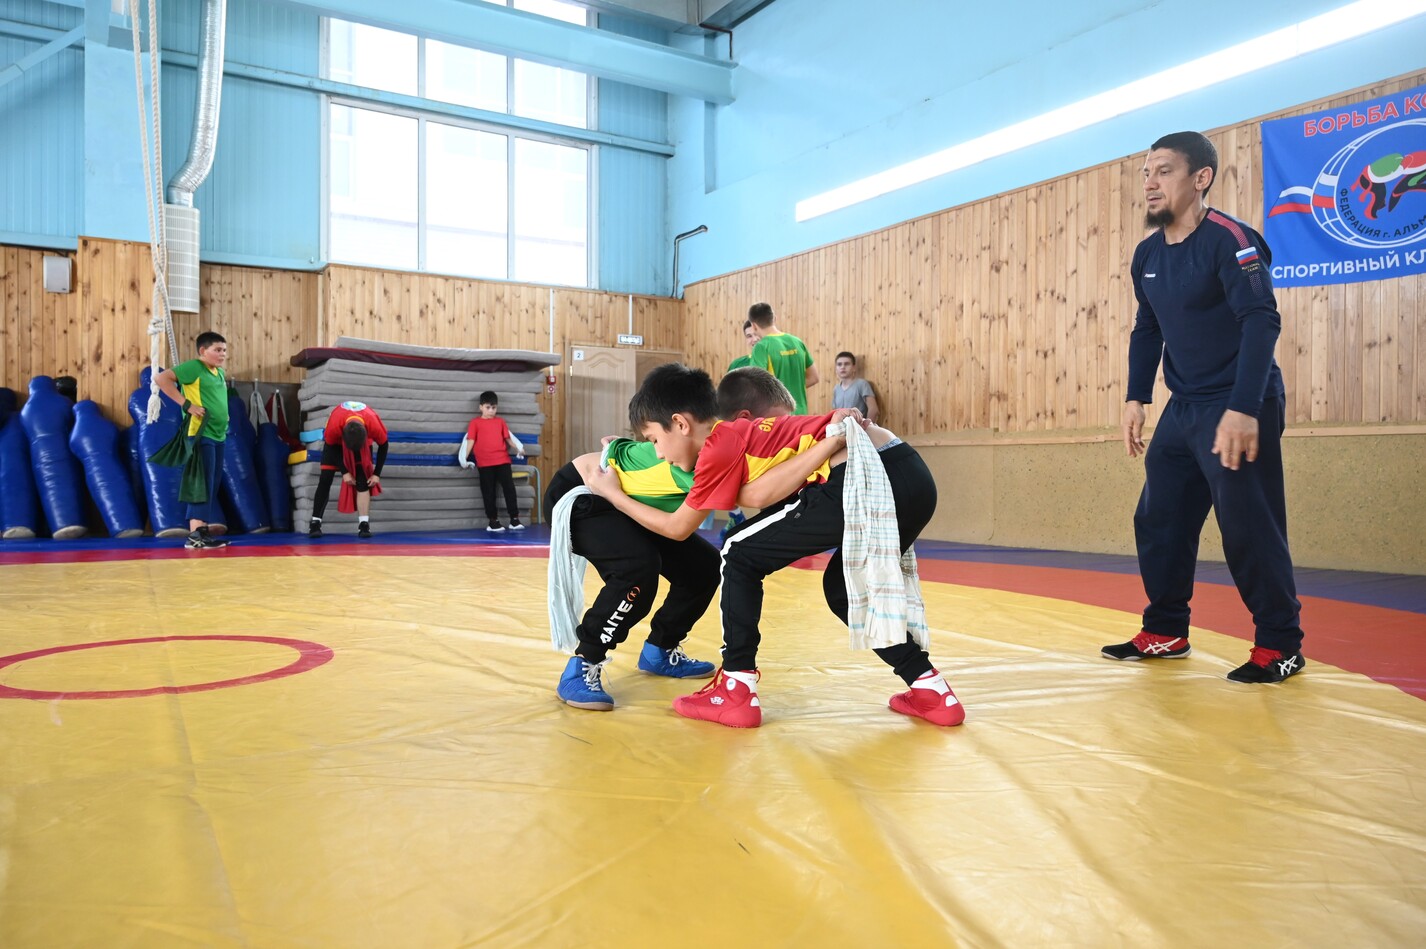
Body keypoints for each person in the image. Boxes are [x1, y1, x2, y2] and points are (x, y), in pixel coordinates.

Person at [586, 363, 963, 729]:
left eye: (654, 440)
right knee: (843, 591)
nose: (657, 453)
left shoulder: (718, 444)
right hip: (910, 473)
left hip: (860, 472)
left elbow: (678, 527)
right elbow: (757, 495)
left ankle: (736, 687)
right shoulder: (740, 440)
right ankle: (930, 689)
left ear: (681, 424)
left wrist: (611, 493)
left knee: (737, 552)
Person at [1103, 130, 1306, 684]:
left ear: (1201, 178)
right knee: (1160, 517)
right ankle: (1166, 628)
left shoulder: (1231, 240)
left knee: (1248, 525)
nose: (1150, 183)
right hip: (1185, 405)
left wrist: (1244, 407)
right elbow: (1148, 327)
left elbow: (1261, 319)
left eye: (1163, 171)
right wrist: (1136, 398)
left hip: (1240, 401)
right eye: (1146, 172)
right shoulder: (1147, 254)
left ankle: (1281, 644)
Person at [545, 367, 801, 712]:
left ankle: (659, 649)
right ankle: (582, 665)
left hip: (623, 498)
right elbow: (685, 524)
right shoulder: (706, 455)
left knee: (704, 567)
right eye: (776, 426)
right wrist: (615, 490)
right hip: (587, 491)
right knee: (637, 569)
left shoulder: (716, 445)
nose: (781, 435)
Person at [154, 331, 231, 549]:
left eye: (224, 350)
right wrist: (187, 405)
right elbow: (161, 379)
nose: (222, 354)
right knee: (201, 483)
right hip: (200, 433)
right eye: (217, 350)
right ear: (203, 351)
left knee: (211, 484)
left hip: (218, 434)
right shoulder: (194, 367)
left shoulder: (218, 372)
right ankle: (195, 535)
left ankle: (202, 533)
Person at [309, 400, 388, 539]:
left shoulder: (372, 422)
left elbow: (384, 445)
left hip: (361, 441)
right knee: (325, 478)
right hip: (335, 444)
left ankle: (364, 524)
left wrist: (377, 474)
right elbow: (331, 446)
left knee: (363, 480)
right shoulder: (334, 425)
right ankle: (315, 523)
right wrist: (345, 471)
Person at [460, 390, 526, 533]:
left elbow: (508, 439)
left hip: (503, 460)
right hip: (485, 464)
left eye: (494, 407)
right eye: (488, 407)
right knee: (488, 492)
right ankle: (493, 521)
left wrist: (518, 449)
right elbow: (470, 441)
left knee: (509, 489)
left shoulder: (500, 422)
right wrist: (464, 458)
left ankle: (514, 518)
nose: (491, 410)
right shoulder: (475, 423)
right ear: (481, 407)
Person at [747, 303, 818, 413]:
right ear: (774, 319)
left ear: (754, 326)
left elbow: (756, 387)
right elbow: (813, 377)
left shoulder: (761, 347)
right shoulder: (797, 342)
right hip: (802, 416)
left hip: (780, 418)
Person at [831, 352, 879, 423]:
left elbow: (874, 410)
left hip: (859, 427)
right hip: (840, 428)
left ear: (854, 367)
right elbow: (835, 412)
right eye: (839, 364)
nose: (842, 367)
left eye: (847, 364)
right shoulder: (836, 388)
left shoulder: (862, 384)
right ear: (836, 368)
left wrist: (866, 427)